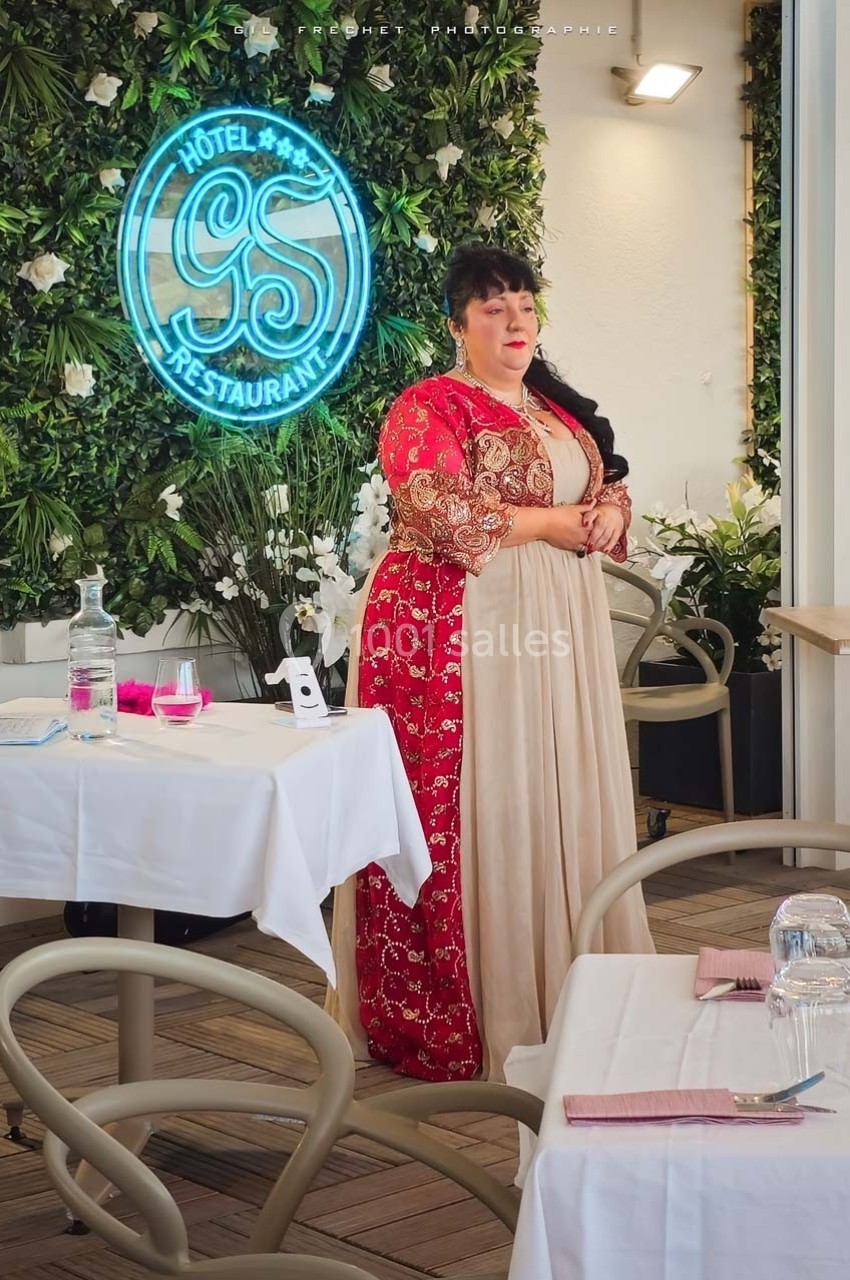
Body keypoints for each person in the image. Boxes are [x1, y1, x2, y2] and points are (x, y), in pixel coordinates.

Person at [326, 243, 653, 1083]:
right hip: (462, 629)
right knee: (496, 792)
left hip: (557, 623)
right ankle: (493, 994)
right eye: (492, 309)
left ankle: (574, 981)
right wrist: (549, 525)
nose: (514, 322)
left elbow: (602, 479)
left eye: (524, 306)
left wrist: (610, 511)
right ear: (457, 325)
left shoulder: (555, 409)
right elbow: (434, 507)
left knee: (559, 786)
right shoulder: (428, 405)